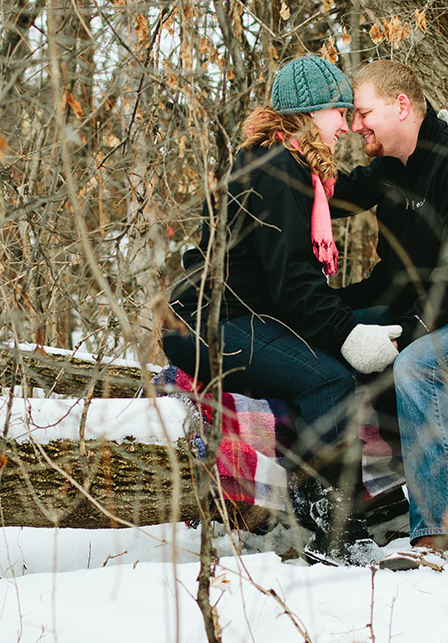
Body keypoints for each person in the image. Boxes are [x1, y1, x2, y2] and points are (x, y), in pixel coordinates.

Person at [162, 56, 401, 557]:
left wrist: (397, 163)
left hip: (243, 315)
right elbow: (293, 286)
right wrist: (347, 335)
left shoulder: (285, 165)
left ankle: (375, 491)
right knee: (330, 377)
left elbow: (345, 195)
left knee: (354, 338)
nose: (347, 127)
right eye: (340, 112)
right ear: (313, 113)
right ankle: (333, 528)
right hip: (213, 326)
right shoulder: (279, 173)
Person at [336, 59, 448, 557]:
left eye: (363, 112)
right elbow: (341, 200)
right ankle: (367, 503)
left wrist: (408, 331)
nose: (355, 126)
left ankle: (442, 533)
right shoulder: (389, 172)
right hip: (419, 314)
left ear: (402, 106)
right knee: (334, 337)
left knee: (416, 363)